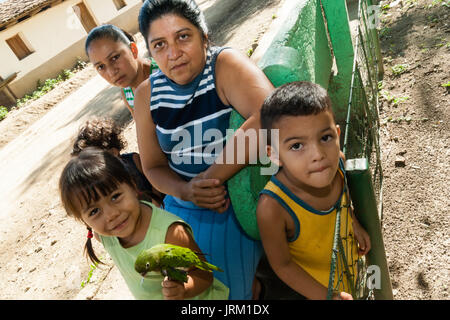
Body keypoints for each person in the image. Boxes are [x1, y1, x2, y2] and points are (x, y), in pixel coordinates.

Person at [133, 0, 274, 299]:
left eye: (183, 36)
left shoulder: (223, 66)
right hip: (182, 201)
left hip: (232, 195)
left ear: (204, 35)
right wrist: (186, 191)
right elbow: (153, 166)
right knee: (163, 287)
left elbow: (270, 115)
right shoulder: (146, 94)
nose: (173, 54)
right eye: (159, 44)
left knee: (223, 292)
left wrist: (209, 180)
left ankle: (254, 288)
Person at [59, 147, 229, 300]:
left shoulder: (171, 234)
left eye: (115, 197)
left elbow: (204, 275)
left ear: (133, 185)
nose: (112, 215)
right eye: (94, 211)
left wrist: (183, 289)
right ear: (83, 221)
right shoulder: (103, 236)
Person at [257, 81, 371, 300]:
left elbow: (344, 197)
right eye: (297, 146)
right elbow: (283, 266)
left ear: (337, 134)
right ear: (274, 155)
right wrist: (328, 296)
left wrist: (354, 223)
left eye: (325, 138)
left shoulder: (338, 163)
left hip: (346, 267)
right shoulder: (272, 207)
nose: (318, 154)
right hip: (313, 290)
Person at [71, 117, 165, 207]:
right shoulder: (100, 181)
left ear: (113, 153)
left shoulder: (134, 161)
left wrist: (156, 202)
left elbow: (155, 181)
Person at [85, 24, 158, 117]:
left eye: (115, 57)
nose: (112, 72)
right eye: (101, 67)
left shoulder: (164, 74)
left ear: (133, 50)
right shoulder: (127, 94)